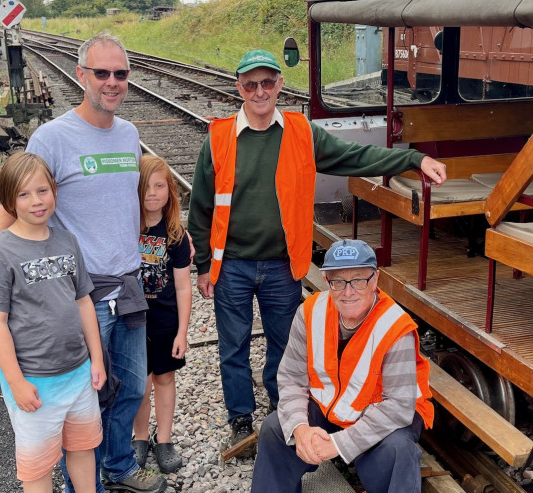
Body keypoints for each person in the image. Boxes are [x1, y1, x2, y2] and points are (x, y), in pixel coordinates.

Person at [187, 49, 447, 452]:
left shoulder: (301, 132)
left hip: (280, 263)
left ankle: (281, 414)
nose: (260, 91)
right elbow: (201, 206)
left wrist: (413, 158)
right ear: (239, 87)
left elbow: (356, 156)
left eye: (267, 82)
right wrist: (203, 265)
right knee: (232, 347)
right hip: (232, 264)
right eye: (251, 84)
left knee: (284, 348)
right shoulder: (220, 136)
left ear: (279, 85)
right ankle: (240, 418)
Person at [0, 32, 166, 493]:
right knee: (88, 395)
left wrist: (175, 239)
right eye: (102, 73)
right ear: (82, 75)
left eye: (121, 73)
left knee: (132, 387)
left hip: (129, 285)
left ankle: (117, 466)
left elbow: (134, 203)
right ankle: (77, 481)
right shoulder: (52, 137)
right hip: (81, 292)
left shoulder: (129, 133)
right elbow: (14, 197)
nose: (113, 82)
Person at [250, 239, 434, 493]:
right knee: (275, 429)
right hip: (331, 408)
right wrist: (301, 429)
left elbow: (399, 408)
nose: (348, 292)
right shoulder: (310, 312)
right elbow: (292, 378)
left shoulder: (395, 327)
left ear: (375, 279)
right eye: (338, 282)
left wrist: (338, 444)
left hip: (383, 414)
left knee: (399, 450)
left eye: (359, 280)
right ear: (326, 282)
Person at [0, 152, 107, 493]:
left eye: (42, 190)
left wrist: (96, 359)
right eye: (23, 194)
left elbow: (83, 302)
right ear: (8, 201)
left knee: (82, 449)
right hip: (35, 383)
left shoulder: (67, 241)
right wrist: (17, 382)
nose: (36, 201)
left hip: (78, 374)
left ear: (54, 191)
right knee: (37, 468)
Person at [131, 155, 192, 474]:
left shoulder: (176, 235)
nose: (152, 193)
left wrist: (182, 331)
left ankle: (164, 438)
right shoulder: (126, 229)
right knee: (139, 383)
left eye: (159, 186)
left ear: (170, 191)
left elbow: (183, 287)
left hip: (166, 321)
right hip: (133, 322)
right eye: (145, 187)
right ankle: (140, 437)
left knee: (165, 378)